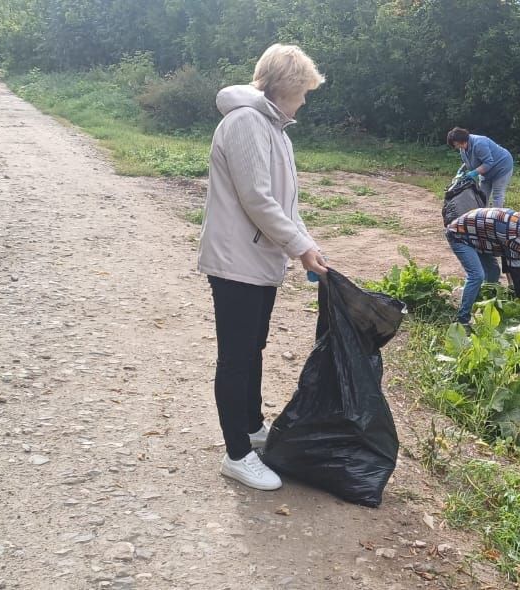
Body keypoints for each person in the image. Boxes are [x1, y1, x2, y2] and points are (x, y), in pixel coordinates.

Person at [197, 43, 328, 491]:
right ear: (288, 86)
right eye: (304, 90)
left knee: (253, 348)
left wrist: (305, 242)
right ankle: (236, 453)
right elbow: (257, 199)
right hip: (237, 262)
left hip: (259, 259)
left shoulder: (276, 129)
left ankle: (252, 428)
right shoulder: (246, 123)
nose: (306, 99)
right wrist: (298, 247)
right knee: (236, 357)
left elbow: (285, 202)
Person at [446, 207, 520, 326]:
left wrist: (511, 285)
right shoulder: (515, 236)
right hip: (459, 236)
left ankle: (479, 305)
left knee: (493, 272)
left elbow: (508, 256)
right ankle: (462, 319)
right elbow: (517, 273)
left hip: (477, 238)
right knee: (477, 276)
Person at [447, 127, 514, 207]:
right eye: (456, 146)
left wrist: (473, 173)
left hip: (502, 166)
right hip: (486, 171)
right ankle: (483, 217)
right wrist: (462, 169)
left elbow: (488, 163)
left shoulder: (479, 144)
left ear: (463, 140)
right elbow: (470, 161)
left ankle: (497, 217)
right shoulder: (463, 149)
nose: (457, 147)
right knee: (482, 195)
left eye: (457, 145)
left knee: (497, 194)